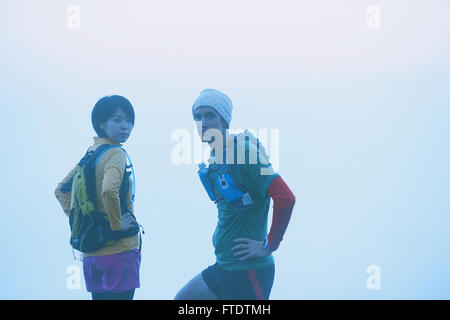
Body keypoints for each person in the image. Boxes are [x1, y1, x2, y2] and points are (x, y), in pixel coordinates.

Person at [175, 89, 296, 300]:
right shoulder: (217, 154)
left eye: (210, 115)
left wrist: (270, 244)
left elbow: (285, 197)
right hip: (224, 266)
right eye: (198, 116)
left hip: (248, 271)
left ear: (224, 120)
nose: (203, 122)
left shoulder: (244, 153)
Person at [55, 95, 141, 300]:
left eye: (129, 121)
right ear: (101, 123)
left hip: (91, 256)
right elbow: (109, 190)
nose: (125, 126)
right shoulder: (115, 153)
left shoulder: (91, 153)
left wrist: (87, 222)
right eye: (117, 120)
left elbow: (61, 190)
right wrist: (116, 224)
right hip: (118, 252)